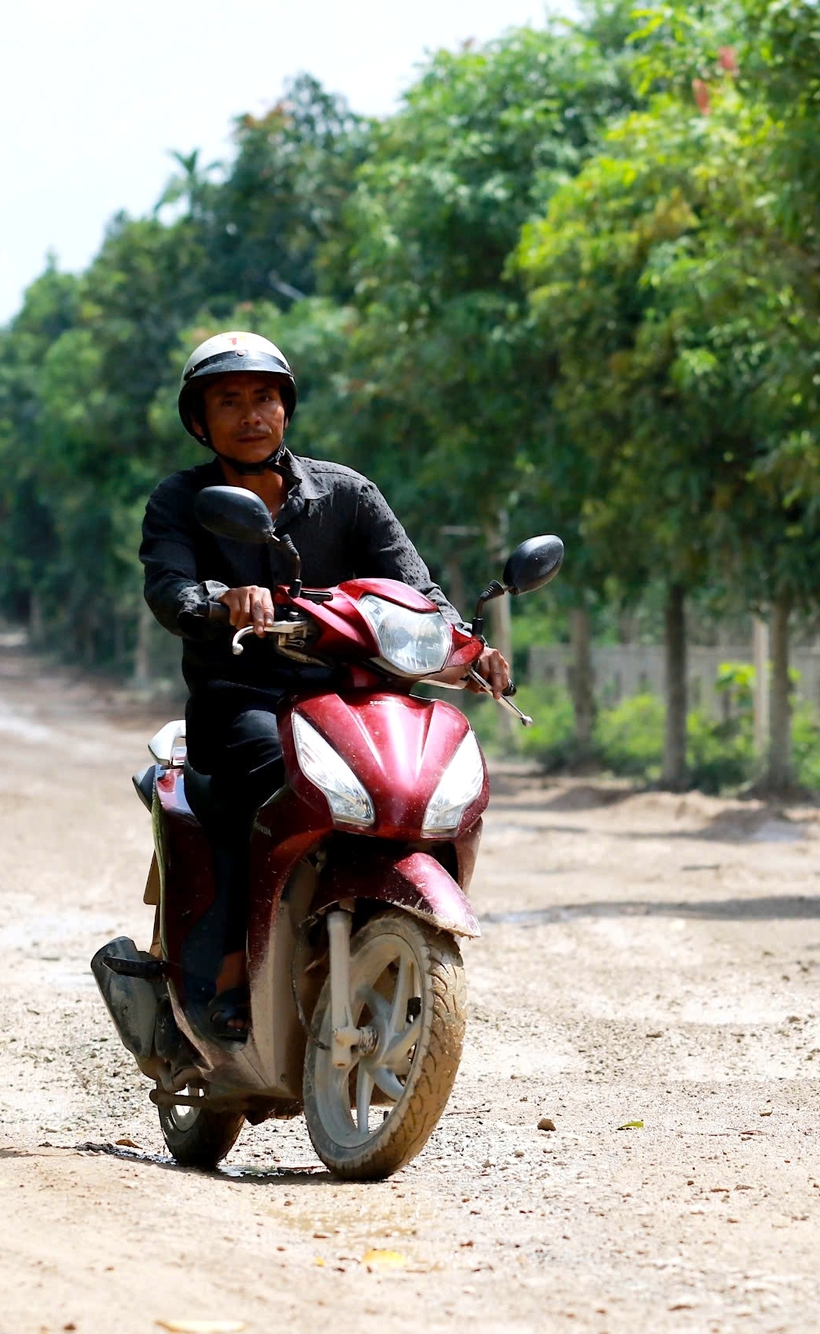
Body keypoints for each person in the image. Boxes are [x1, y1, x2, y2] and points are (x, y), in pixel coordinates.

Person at [139, 331, 511, 1040]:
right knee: (270, 781)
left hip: (357, 698)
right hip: (243, 700)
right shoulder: (181, 501)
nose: (252, 414)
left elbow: (418, 592)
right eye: (230, 401)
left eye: (266, 398)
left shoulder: (346, 494)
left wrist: (470, 647)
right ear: (199, 420)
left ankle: (402, 927)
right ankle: (225, 972)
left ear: (286, 409)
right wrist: (223, 602)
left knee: (421, 781)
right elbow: (171, 590)